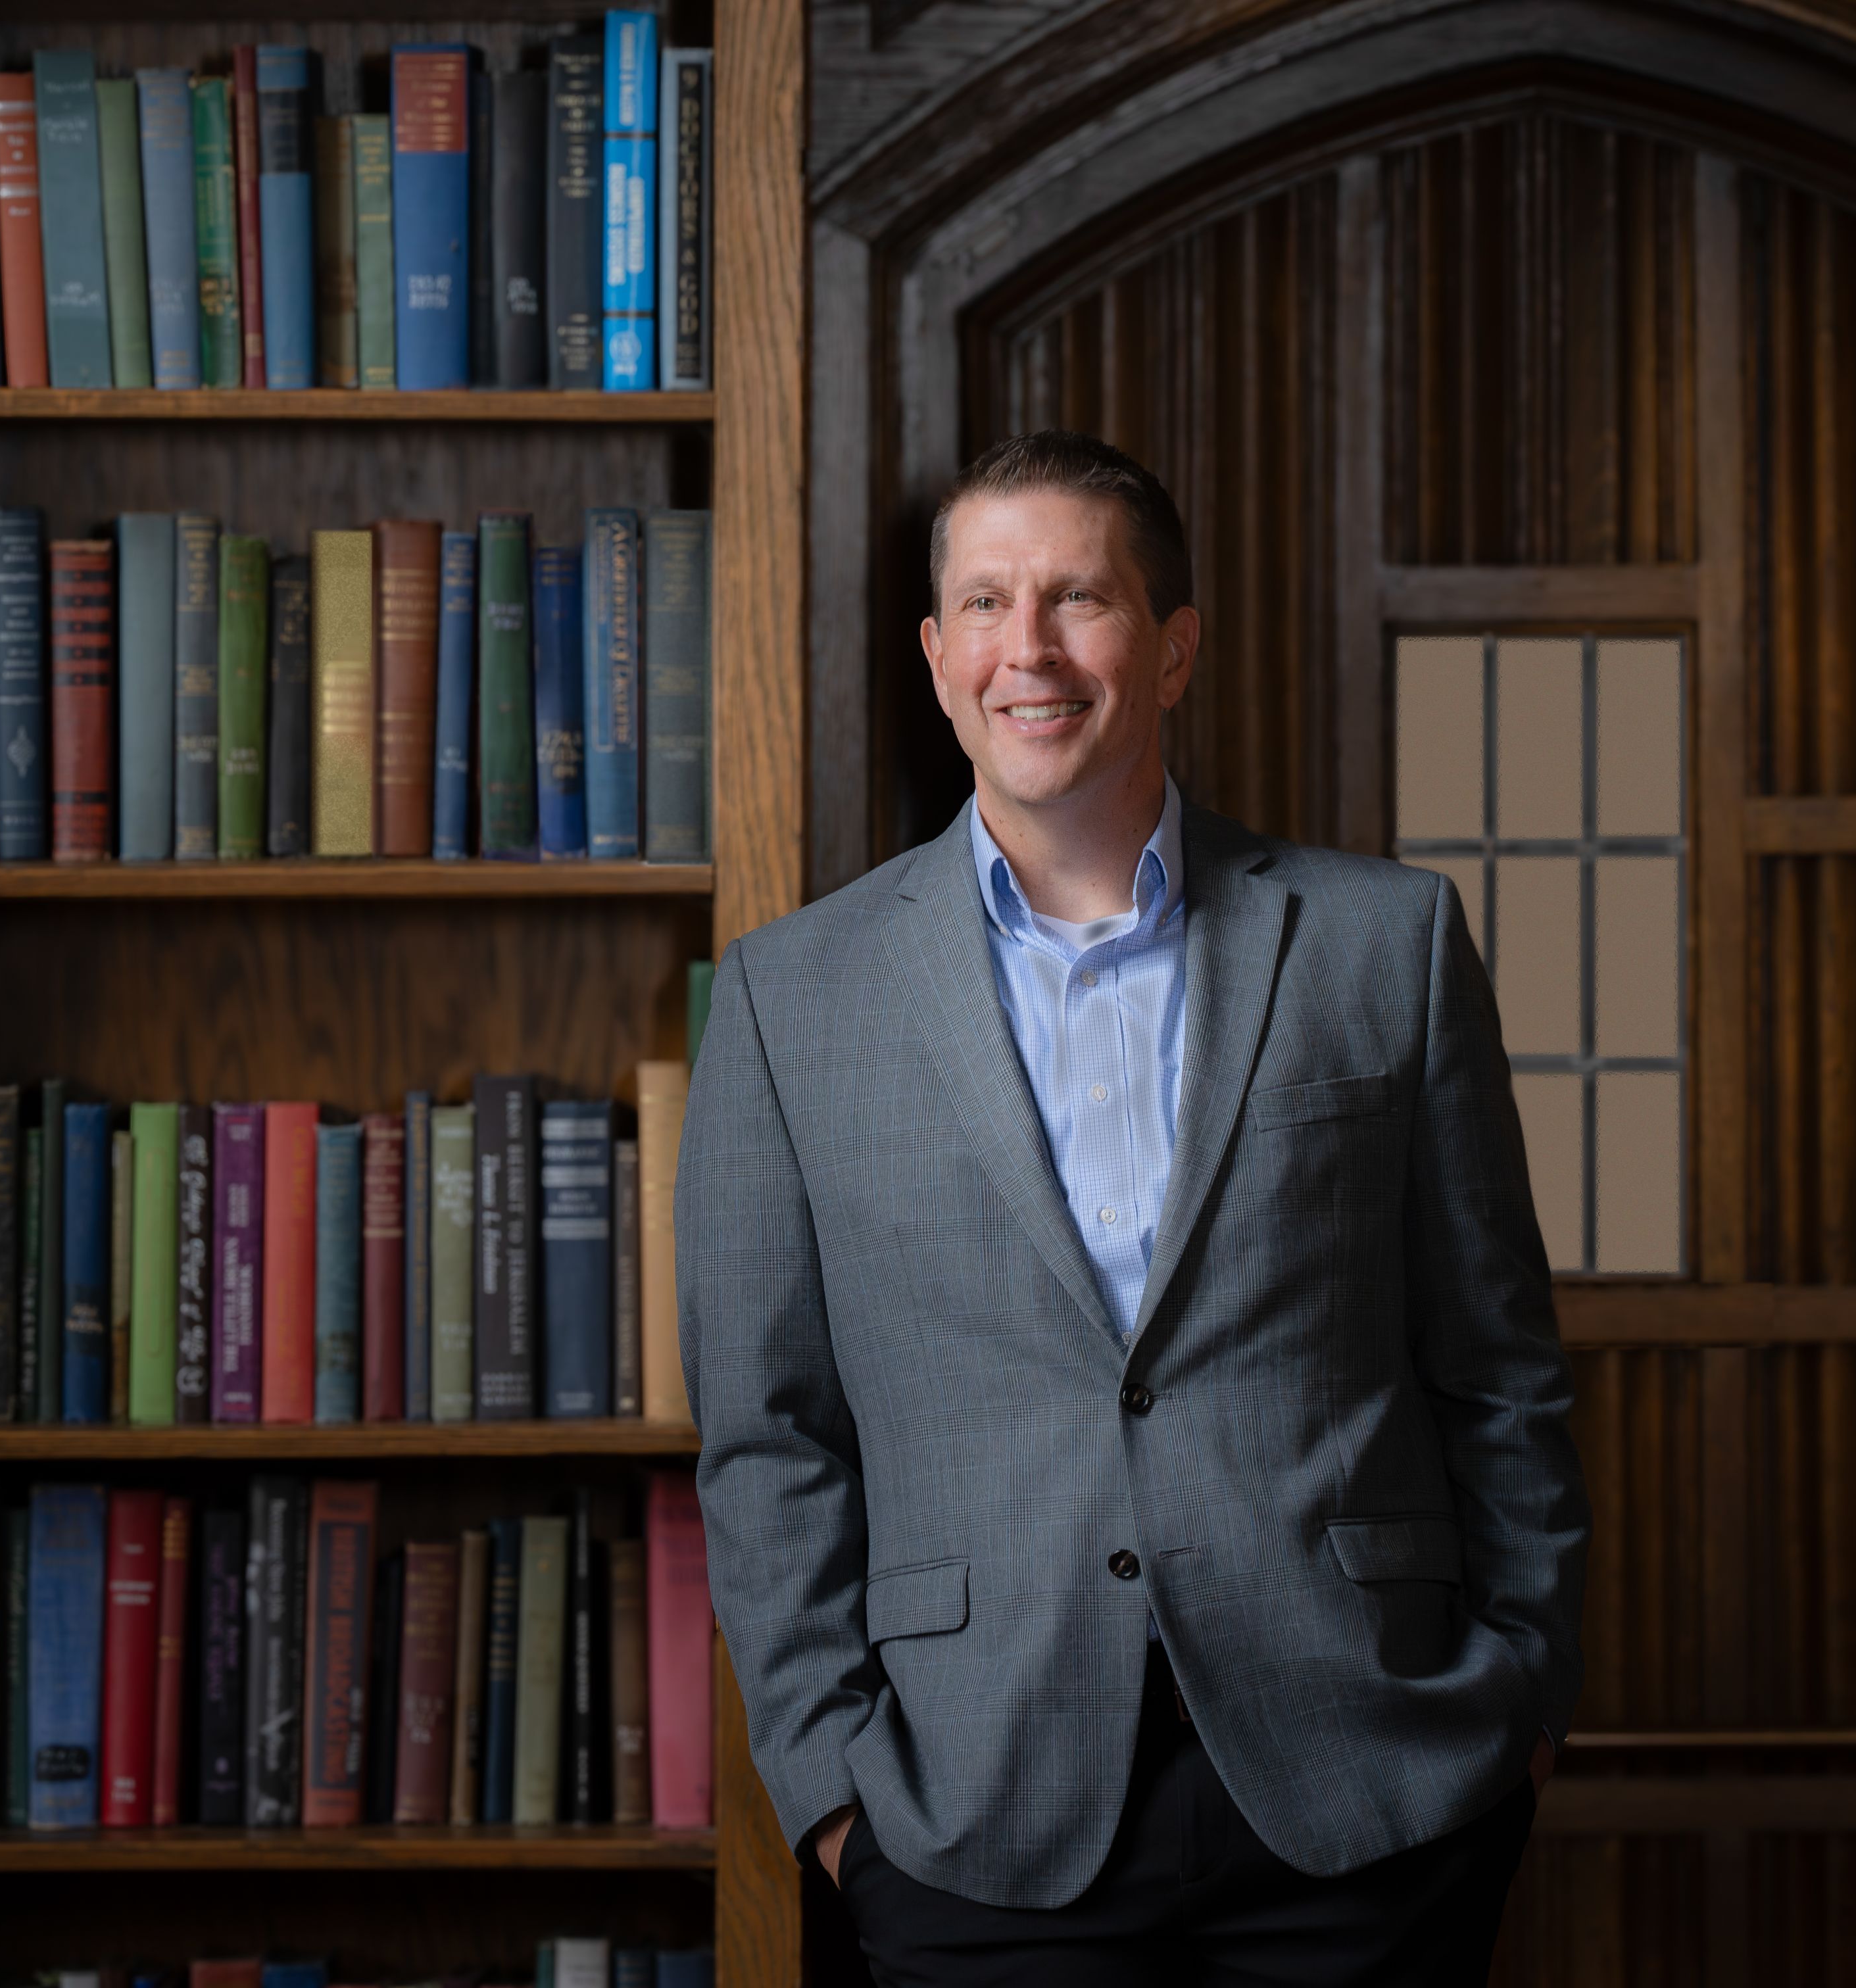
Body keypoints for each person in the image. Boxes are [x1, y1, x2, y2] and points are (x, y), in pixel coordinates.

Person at [675, 429, 1588, 1985]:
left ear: (1169, 650)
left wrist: (1511, 1704)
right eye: (982, 604)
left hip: (1364, 1789)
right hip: (972, 1808)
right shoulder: (787, 997)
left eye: (1075, 599)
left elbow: (1494, 1367)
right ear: (936, 654)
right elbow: (767, 1438)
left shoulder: (1386, 944)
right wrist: (833, 1791)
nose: (1023, 647)